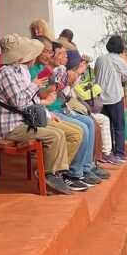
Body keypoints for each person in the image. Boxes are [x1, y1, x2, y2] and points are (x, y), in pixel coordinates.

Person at [0, 34, 73, 195]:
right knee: (56, 135)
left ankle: (52, 176)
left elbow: (29, 100)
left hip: (25, 121)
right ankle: (48, 177)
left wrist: (42, 104)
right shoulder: (6, 73)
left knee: (60, 133)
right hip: (13, 126)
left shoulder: (18, 71)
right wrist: (34, 85)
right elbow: (19, 101)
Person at [45, 43, 107, 188]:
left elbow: (63, 93)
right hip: (52, 111)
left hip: (61, 109)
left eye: (65, 54)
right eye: (60, 54)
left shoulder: (58, 70)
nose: (63, 57)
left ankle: (85, 168)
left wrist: (76, 74)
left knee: (89, 123)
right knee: (83, 128)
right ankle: (72, 172)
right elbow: (47, 95)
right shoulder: (44, 72)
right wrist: (73, 76)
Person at [65, 49, 116, 167]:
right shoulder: (67, 75)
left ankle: (96, 160)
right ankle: (85, 164)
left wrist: (80, 71)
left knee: (100, 121)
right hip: (70, 110)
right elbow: (68, 94)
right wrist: (77, 74)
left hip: (77, 109)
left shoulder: (76, 75)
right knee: (91, 125)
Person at [95, 35, 127, 163]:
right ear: (121, 47)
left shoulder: (99, 59)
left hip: (100, 98)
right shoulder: (121, 61)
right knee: (119, 126)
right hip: (115, 96)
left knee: (106, 125)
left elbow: (96, 74)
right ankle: (119, 153)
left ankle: (107, 152)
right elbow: (126, 77)